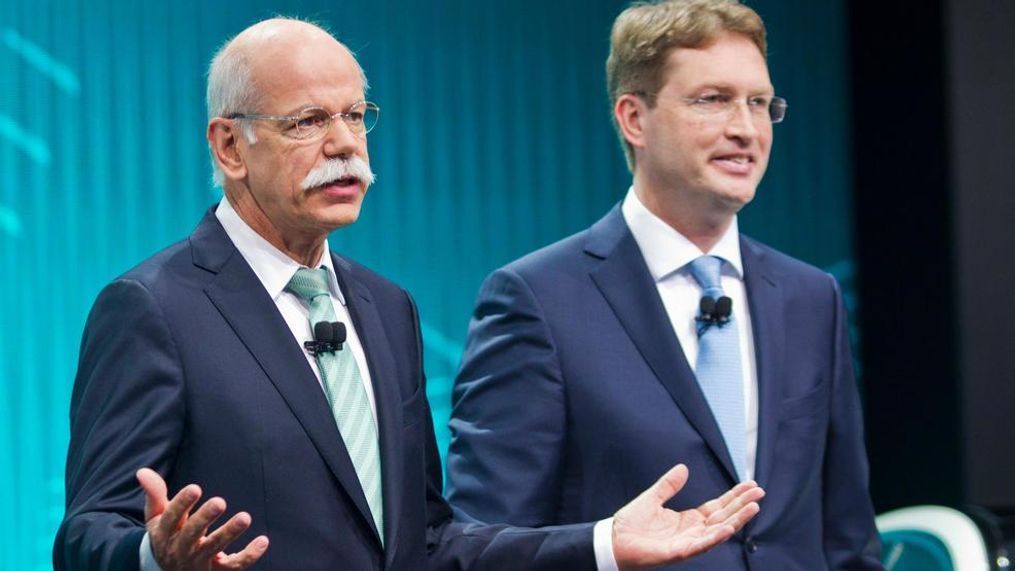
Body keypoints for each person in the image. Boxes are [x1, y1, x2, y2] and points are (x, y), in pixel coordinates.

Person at [53, 17, 764, 571]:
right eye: (306, 122)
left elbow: (430, 540)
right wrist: (153, 556)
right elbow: (87, 533)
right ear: (230, 147)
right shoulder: (153, 307)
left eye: (356, 115)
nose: (344, 144)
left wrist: (604, 542)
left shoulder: (385, 308)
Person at [445, 1, 882, 569]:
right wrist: (605, 547)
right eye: (713, 100)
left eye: (758, 104)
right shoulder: (537, 300)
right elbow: (483, 544)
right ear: (634, 118)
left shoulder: (810, 297)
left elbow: (847, 535)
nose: (745, 129)